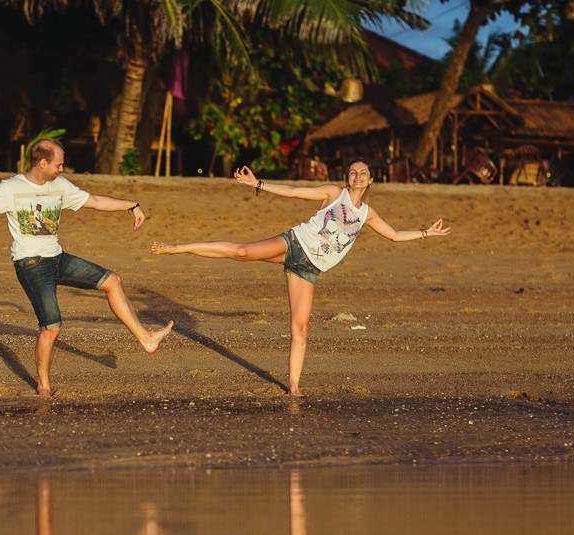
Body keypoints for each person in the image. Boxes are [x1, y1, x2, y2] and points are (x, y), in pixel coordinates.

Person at [151, 158, 450, 396]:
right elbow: (295, 192)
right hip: (294, 243)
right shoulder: (334, 193)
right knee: (241, 252)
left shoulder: (367, 214)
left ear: (371, 180)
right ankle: (177, 248)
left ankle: (293, 386)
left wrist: (426, 232)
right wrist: (258, 183)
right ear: (347, 178)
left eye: (363, 173)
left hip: (308, 269)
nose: (357, 176)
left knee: (301, 328)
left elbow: (395, 236)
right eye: (353, 172)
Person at [0, 139, 173, 397]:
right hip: (31, 264)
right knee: (51, 327)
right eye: (58, 164)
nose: (62, 169)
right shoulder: (11, 188)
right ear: (43, 163)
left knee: (112, 281)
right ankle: (44, 386)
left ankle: (146, 338)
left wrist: (131, 205)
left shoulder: (59, 185)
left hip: (58, 258)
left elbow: (94, 201)